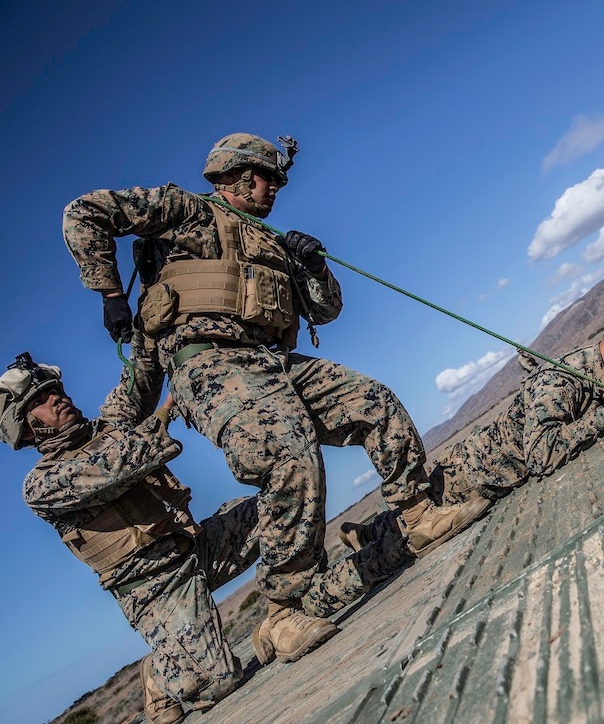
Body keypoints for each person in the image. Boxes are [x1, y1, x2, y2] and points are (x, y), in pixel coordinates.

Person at [61, 133, 490, 663]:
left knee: (373, 403)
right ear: (240, 175)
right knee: (287, 451)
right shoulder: (185, 212)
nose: (276, 190)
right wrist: (108, 293)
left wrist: (312, 266)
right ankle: (283, 613)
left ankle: (418, 513)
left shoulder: (271, 241)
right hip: (209, 363)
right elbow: (84, 213)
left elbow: (325, 311)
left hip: (271, 361)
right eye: (269, 179)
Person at [0, 349, 259, 724]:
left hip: (193, 546)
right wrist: (162, 414)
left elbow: (139, 378)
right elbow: (116, 467)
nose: (58, 398)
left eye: (56, 390)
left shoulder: (110, 425)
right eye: (40, 400)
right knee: (218, 681)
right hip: (153, 589)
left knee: (282, 506)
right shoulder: (41, 485)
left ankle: (285, 609)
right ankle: (161, 675)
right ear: (27, 426)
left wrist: (150, 330)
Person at [343, 291, 604, 549]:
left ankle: (365, 531)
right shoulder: (561, 380)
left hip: (493, 483)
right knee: (392, 546)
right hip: (465, 481)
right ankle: (349, 546)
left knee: (389, 533)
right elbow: (542, 456)